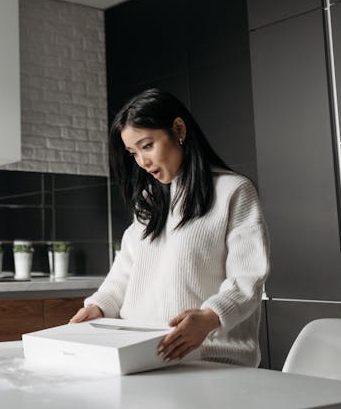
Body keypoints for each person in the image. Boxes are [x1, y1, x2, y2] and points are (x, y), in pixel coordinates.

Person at [70, 88, 270, 367]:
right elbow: (125, 273)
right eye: (133, 153)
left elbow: (248, 278)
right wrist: (98, 306)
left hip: (210, 358)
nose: (142, 161)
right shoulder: (150, 201)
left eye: (147, 145)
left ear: (178, 129)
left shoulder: (233, 191)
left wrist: (210, 318)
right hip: (141, 355)